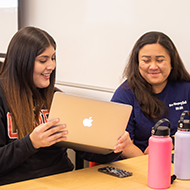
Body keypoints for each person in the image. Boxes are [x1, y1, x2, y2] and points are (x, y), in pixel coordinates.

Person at [0, 26, 130, 185]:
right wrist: (31, 143)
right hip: (19, 183)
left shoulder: (57, 97)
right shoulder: (3, 98)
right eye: (43, 60)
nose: (51, 66)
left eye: (53, 58)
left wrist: (112, 147)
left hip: (63, 180)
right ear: (22, 62)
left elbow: (85, 151)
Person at [111, 31, 190, 159]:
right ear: (137, 63)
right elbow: (122, 144)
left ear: (172, 62)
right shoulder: (125, 93)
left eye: (160, 60)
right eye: (146, 61)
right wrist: (150, 164)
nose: (153, 66)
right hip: (135, 163)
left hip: (180, 161)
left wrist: (171, 142)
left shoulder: (186, 88)